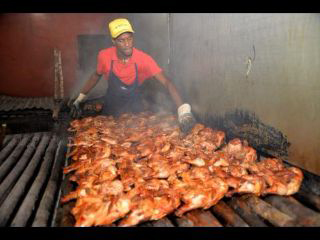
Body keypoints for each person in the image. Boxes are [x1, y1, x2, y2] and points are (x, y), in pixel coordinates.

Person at [70, 18, 195, 133]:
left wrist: (183, 110)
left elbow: (168, 83)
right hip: (111, 109)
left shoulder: (143, 59)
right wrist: (79, 99)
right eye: (121, 40)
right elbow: (95, 76)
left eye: (129, 38)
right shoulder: (104, 56)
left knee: (135, 136)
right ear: (113, 41)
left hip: (135, 112)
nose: (127, 44)